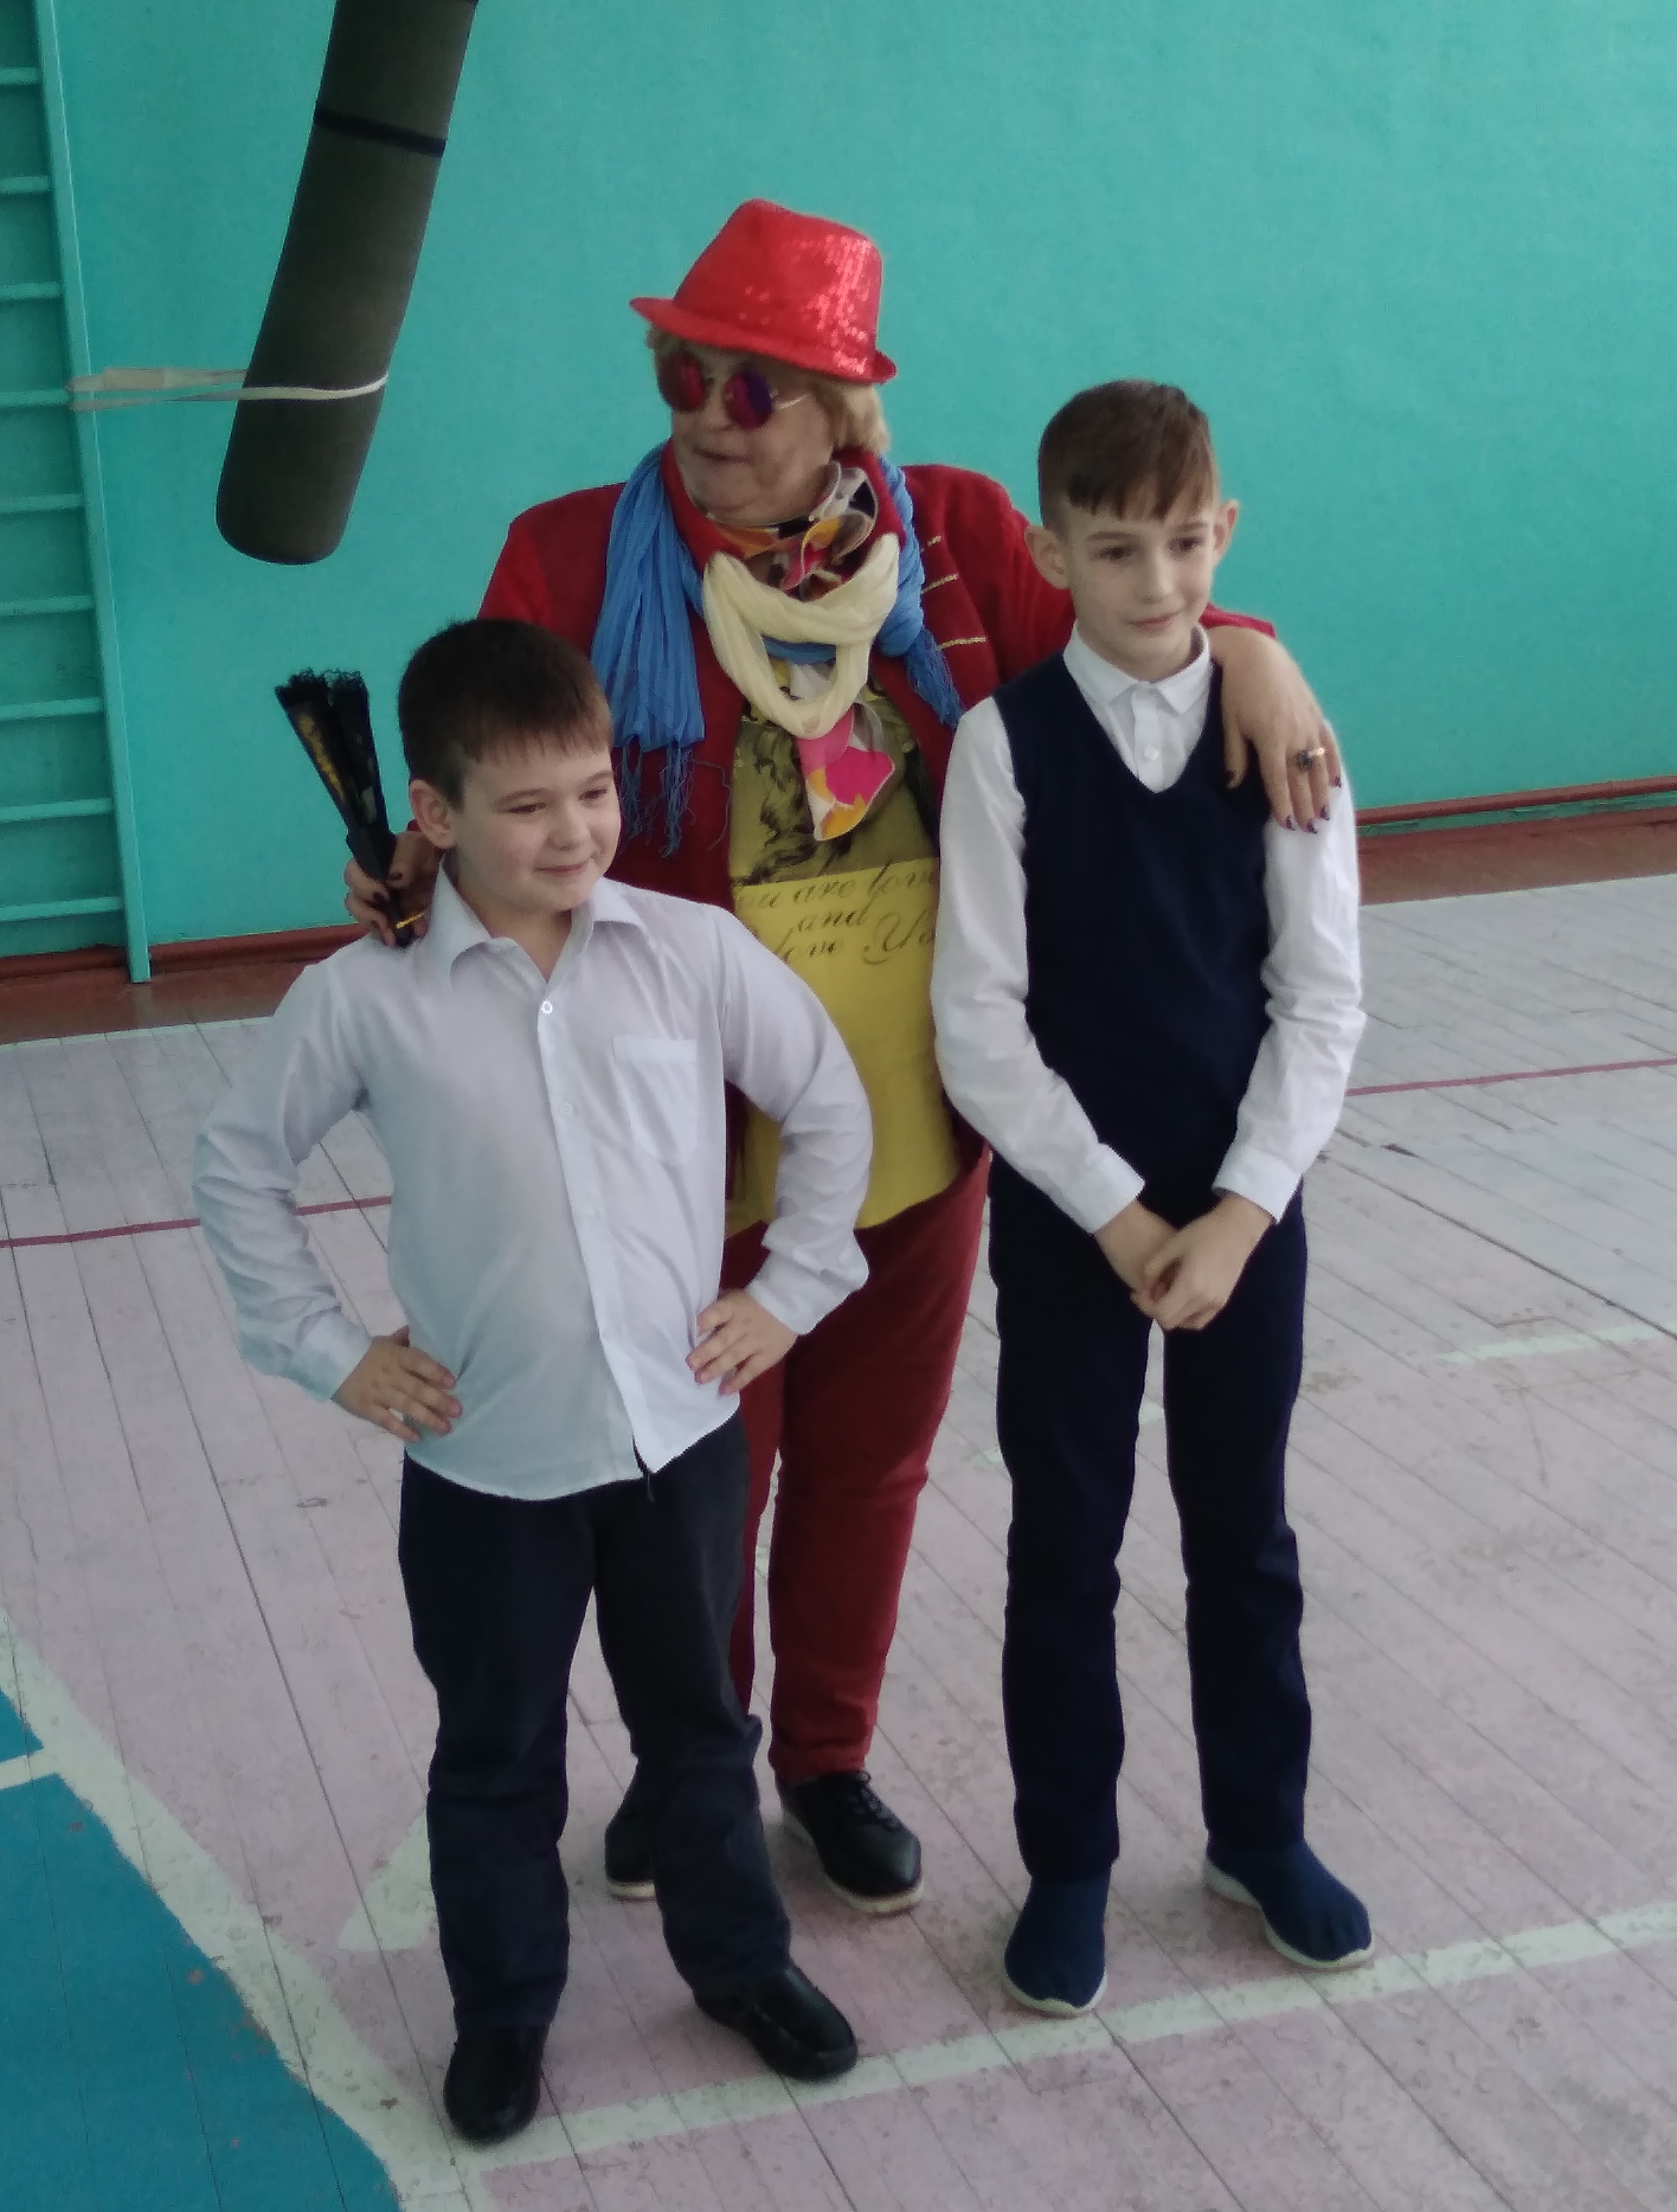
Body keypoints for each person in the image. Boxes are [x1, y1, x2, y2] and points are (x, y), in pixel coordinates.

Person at [346, 198, 1344, 1916]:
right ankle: (696, 1759)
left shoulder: (954, 536)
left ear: (843, 410)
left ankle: (825, 1759)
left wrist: (1255, 647)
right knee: (699, 1477)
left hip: (914, 1123)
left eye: (752, 391)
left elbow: (1137, 629)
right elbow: (488, 765)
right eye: (681, 377)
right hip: (680, 1132)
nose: (706, 421)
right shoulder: (573, 559)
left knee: (870, 1466)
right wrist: (417, 861)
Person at [195, 620, 873, 2144]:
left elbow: (828, 1100)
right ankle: (504, 2012)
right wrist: (330, 1351)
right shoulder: (365, 999)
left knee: (699, 1727)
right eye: (526, 805)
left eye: (594, 790)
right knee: (496, 1756)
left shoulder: (688, 955)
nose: (574, 831)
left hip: (679, 1443)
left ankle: (741, 1964)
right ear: (433, 814)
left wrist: (791, 1292)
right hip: (486, 1466)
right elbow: (237, 1167)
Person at [930, 380, 1369, 2016]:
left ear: (1225, 534)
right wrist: (1118, 1215)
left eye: (1187, 544)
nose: (1160, 583)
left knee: (1243, 1535)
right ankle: (1069, 1868)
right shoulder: (1004, 746)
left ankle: (1261, 1834)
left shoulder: (1287, 736)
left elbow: (1322, 1000)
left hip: (1246, 1214)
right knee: (1067, 1541)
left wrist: (1242, 1211)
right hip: (1074, 1225)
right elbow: (979, 1024)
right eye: (1116, 550)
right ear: (1053, 553)